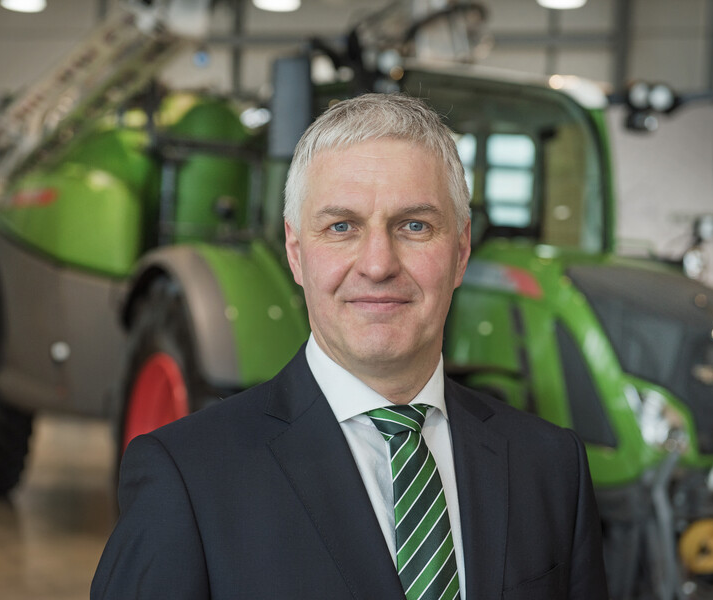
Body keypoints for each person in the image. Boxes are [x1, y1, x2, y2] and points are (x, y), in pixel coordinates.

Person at [91, 93, 608, 599]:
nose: (378, 264)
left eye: (415, 226)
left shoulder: (551, 467)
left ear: (461, 250)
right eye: (341, 227)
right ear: (296, 253)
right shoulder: (187, 477)